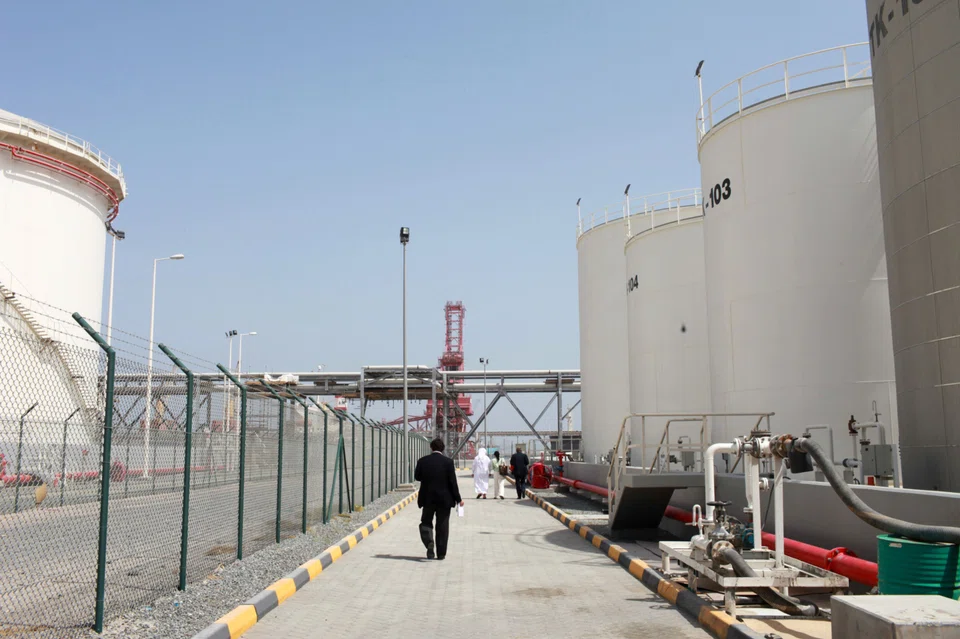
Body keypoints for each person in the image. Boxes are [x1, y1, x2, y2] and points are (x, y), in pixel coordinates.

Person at [414, 437, 464, 560]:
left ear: (431, 448)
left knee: (426, 522)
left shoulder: (422, 461)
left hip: (427, 499)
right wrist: (458, 499)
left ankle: (429, 542)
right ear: (443, 449)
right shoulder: (448, 462)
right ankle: (441, 554)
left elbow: (417, 477)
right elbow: (453, 482)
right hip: (444, 500)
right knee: (442, 526)